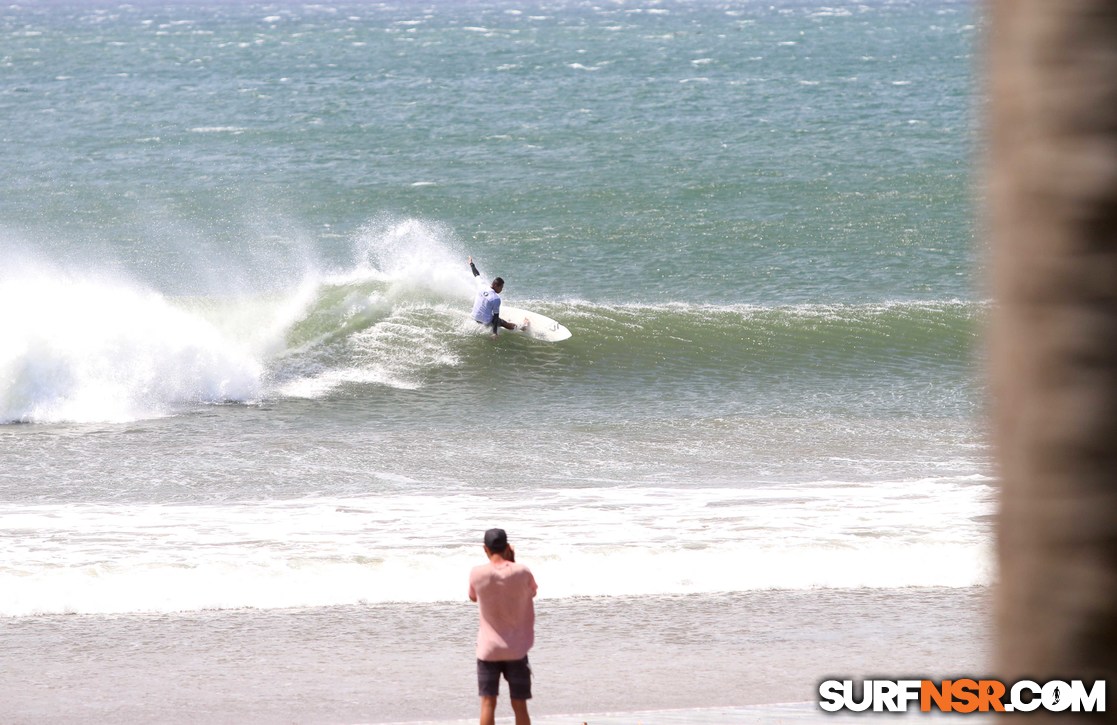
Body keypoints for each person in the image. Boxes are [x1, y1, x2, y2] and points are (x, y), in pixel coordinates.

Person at [468, 528, 538, 725]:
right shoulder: (522, 571)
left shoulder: (477, 573)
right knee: (520, 705)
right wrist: (513, 562)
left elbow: (473, 597)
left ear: (485, 549)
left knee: (488, 703)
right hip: (516, 649)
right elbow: (532, 592)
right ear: (508, 547)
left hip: (488, 649)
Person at [469, 256, 527, 338]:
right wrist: (494, 333)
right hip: (485, 321)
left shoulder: (482, 285)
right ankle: (522, 327)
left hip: (474, 317)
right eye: (501, 287)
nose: (501, 290)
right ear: (496, 286)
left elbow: (476, 274)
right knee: (503, 323)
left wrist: (471, 264)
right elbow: (496, 318)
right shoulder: (495, 298)